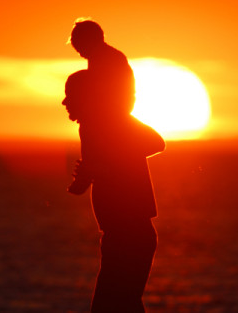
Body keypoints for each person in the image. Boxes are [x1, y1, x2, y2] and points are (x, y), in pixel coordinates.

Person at [62, 69, 165, 313]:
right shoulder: (89, 127)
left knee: (112, 306)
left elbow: (156, 142)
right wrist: (83, 180)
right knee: (123, 304)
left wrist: (104, 165)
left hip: (131, 232)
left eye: (70, 95)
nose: (65, 102)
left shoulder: (114, 119)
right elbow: (99, 169)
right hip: (118, 233)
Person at [68, 18, 136, 114]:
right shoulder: (100, 56)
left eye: (79, 47)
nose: (79, 53)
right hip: (117, 107)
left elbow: (105, 90)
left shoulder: (106, 58)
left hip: (116, 109)